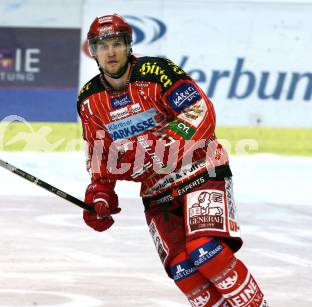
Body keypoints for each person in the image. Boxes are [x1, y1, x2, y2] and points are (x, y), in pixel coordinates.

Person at [77, 14, 267, 307]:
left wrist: (161, 147)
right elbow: (100, 152)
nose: (110, 52)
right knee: (183, 269)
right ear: (93, 52)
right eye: (102, 46)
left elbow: (199, 110)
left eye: (117, 43)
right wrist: (101, 192)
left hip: (201, 169)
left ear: (128, 46)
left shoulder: (158, 71)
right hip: (156, 191)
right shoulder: (89, 100)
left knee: (206, 250)